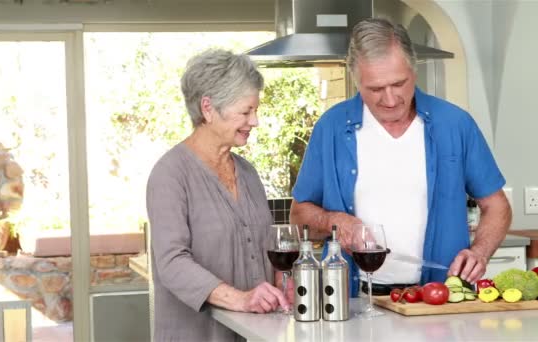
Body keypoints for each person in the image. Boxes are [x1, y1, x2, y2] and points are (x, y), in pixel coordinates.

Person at [290, 18, 512, 298]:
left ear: (413, 70)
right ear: (356, 80)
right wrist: (335, 220)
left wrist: (479, 252)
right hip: (356, 300)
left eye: (398, 83)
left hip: (438, 298)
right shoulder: (331, 127)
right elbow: (299, 217)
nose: (391, 99)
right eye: (375, 89)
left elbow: (497, 206)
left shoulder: (455, 124)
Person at [147, 49, 289, 341]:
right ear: (208, 108)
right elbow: (172, 263)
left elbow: (265, 246)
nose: (255, 121)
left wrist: (282, 279)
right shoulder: (170, 174)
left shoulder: (248, 173)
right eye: (246, 111)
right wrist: (240, 299)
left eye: (256, 110)